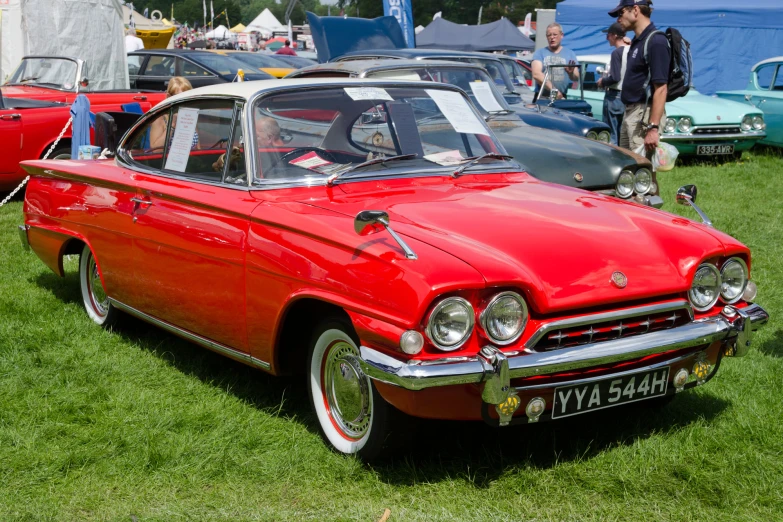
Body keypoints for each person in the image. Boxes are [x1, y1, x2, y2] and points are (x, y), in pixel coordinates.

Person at [611, 0, 670, 155]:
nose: (618, 19)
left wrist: (653, 128)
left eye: (621, 13)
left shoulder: (656, 41)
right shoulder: (638, 41)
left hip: (643, 115)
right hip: (631, 112)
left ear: (635, 10)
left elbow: (661, 88)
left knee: (643, 171)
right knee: (628, 170)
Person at [596, 23, 631, 145]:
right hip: (627, 96)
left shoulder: (616, 53)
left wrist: (603, 81)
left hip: (614, 95)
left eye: (609, 35)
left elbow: (615, 77)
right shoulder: (631, 50)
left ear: (615, 36)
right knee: (623, 135)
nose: (607, 38)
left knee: (611, 135)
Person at [531, 23, 579, 100]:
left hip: (561, 97)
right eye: (549, 35)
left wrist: (571, 73)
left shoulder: (570, 54)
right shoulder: (540, 53)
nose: (552, 37)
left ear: (561, 35)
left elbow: (576, 77)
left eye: (555, 34)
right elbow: (536, 74)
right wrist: (554, 91)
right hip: (542, 97)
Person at [150, 77, 198, 150]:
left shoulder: (190, 116)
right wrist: (172, 124)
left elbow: (197, 146)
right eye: (180, 98)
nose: (184, 102)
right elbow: (156, 150)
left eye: (188, 98)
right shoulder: (160, 119)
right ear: (169, 97)